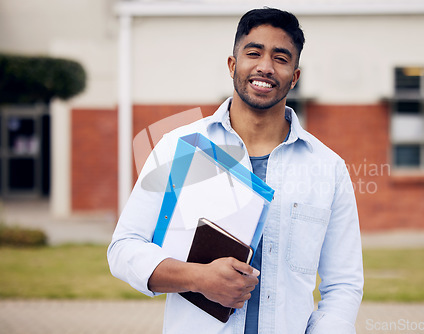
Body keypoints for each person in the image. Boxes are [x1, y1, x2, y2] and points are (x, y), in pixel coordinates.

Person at [108, 7, 363, 334]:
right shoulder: (181, 148)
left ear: (295, 77)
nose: (265, 67)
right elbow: (124, 248)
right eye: (253, 53)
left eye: (281, 58)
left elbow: (344, 283)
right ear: (233, 65)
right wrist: (198, 279)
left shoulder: (328, 169)